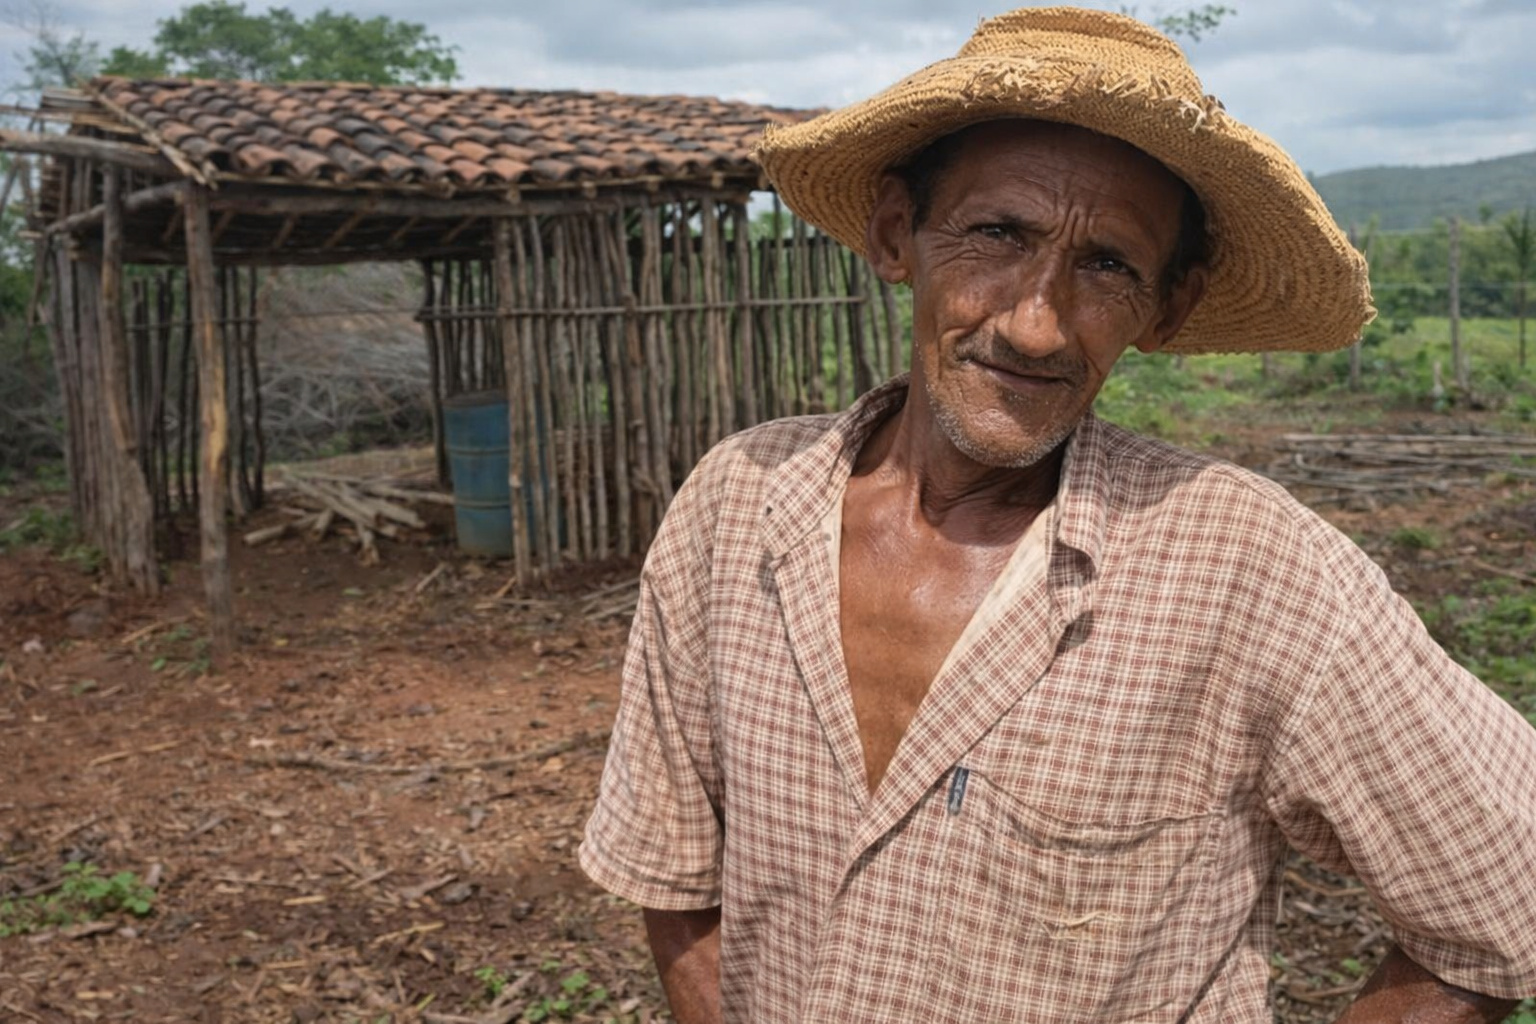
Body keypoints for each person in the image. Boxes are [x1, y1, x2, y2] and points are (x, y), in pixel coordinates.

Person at [579, 8, 1536, 1022]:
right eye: (998, 233)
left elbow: (1506, 892)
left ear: (1166, 308)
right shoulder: (736, 506)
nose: (1036, 322)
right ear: (900, 234)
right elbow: (675, 870)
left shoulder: (1251, 569)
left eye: (1108, 265)